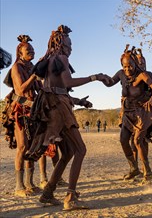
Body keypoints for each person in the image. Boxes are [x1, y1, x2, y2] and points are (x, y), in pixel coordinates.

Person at [23, 25, 110, 210]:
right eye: (70, 44)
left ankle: (47, 194)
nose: (71, 48)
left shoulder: (50, 59)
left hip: (54, 106)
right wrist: (96, 77)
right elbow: (68, 83)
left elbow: (58, 89)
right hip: (59, 109)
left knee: (68, 152)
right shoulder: (60, 58)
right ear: (62, 43)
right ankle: (71, 198)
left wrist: (80, 101)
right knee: (80, 150)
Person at [105, 45, 152, 182]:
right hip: (127, 113)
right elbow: (110, 83)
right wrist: (98, 77)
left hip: (141, 113)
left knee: (137, 141)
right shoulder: (121, 74)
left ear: (135, 64)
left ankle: (148, 172)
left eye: (129, 66)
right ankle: (134, 168)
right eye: (124, 67)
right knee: (123, 140)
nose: (127, 69)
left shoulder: (143, 75)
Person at [2, 35, 47, 197]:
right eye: (28, 50)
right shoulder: (16, 68)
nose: (31, 52)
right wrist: (34, 75)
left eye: (33, 50)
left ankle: (30, 183)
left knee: (32, 147)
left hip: (33, 111)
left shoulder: (30, 67)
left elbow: (38, 88)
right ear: (20, 53)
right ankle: (19, 186)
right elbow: (20, 90)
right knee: (22, 147)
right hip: (20, 110)